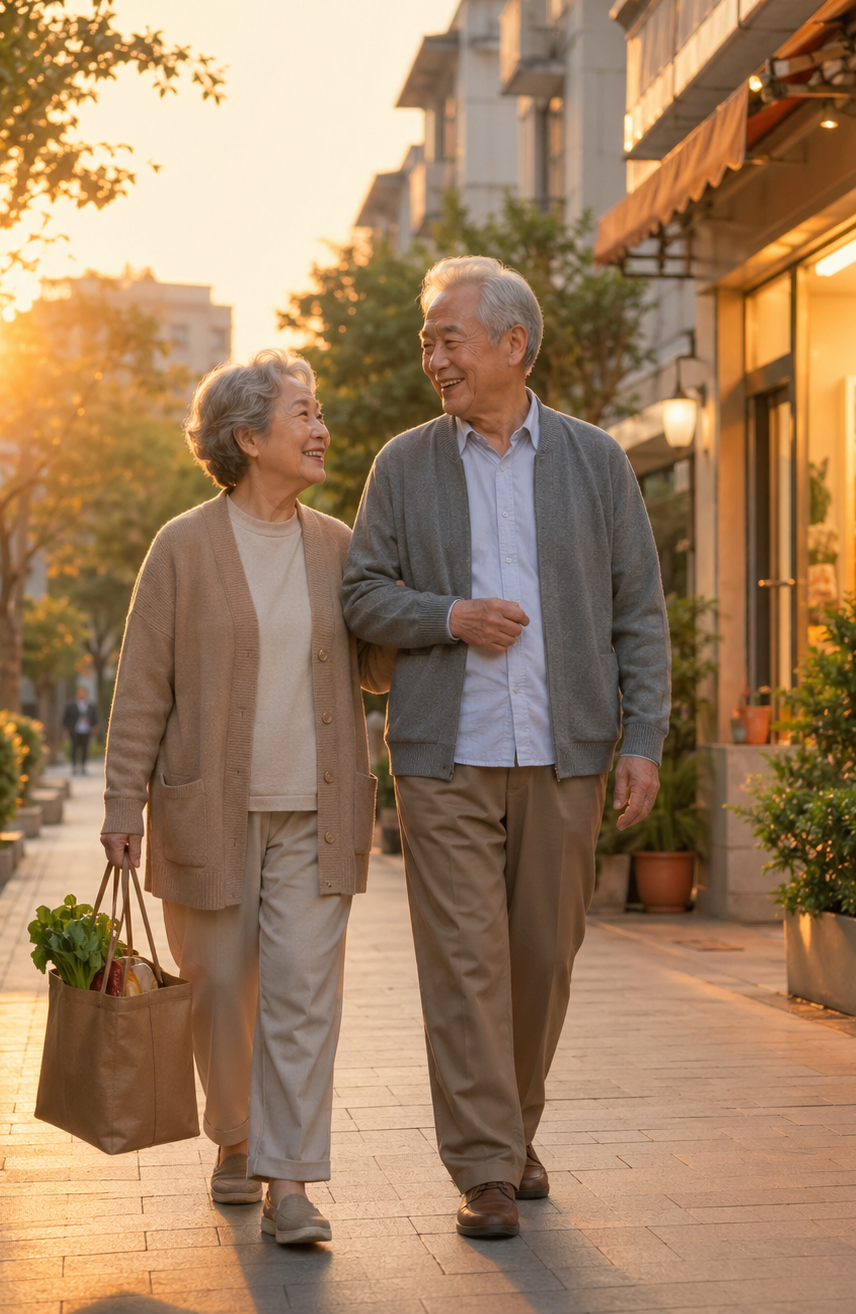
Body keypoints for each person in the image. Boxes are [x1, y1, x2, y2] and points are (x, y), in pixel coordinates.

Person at [341, 257, 670, 1240]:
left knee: (542, 956)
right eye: (426, 338)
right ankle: (485, 1164)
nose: (432, 354)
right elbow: (360, 593)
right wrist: (451, 615)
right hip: (444, 754)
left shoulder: (594, 460)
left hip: (564, 751)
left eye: (449, 336)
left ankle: (513, 1126)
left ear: (511, 346)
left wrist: (642, 737)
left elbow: (638, 611)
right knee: (464, 963)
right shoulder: (404, 464)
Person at [100, 349, 391, 1246]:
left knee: (305, 993)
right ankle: (232, 1136)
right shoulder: (183, 547)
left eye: (318, 411)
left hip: (318, 809)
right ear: (248, 436)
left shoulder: (341, 546)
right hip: (206, 812)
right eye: (301, 413)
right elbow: (142, 681)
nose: (320, 429)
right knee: (220, 986)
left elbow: (376, 667)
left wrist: (408, 598)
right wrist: (121, 804)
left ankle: (291, 1182)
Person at [62, 687, 97, 775]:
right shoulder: (71, 705)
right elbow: (65, 718)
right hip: (74, 730)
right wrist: (66, 729)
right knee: (74, 748)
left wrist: (94, 726)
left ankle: (83, 766)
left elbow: (94, 717)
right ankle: (74, 766)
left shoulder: (90, 706)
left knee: (85, 749)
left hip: (86, 730)